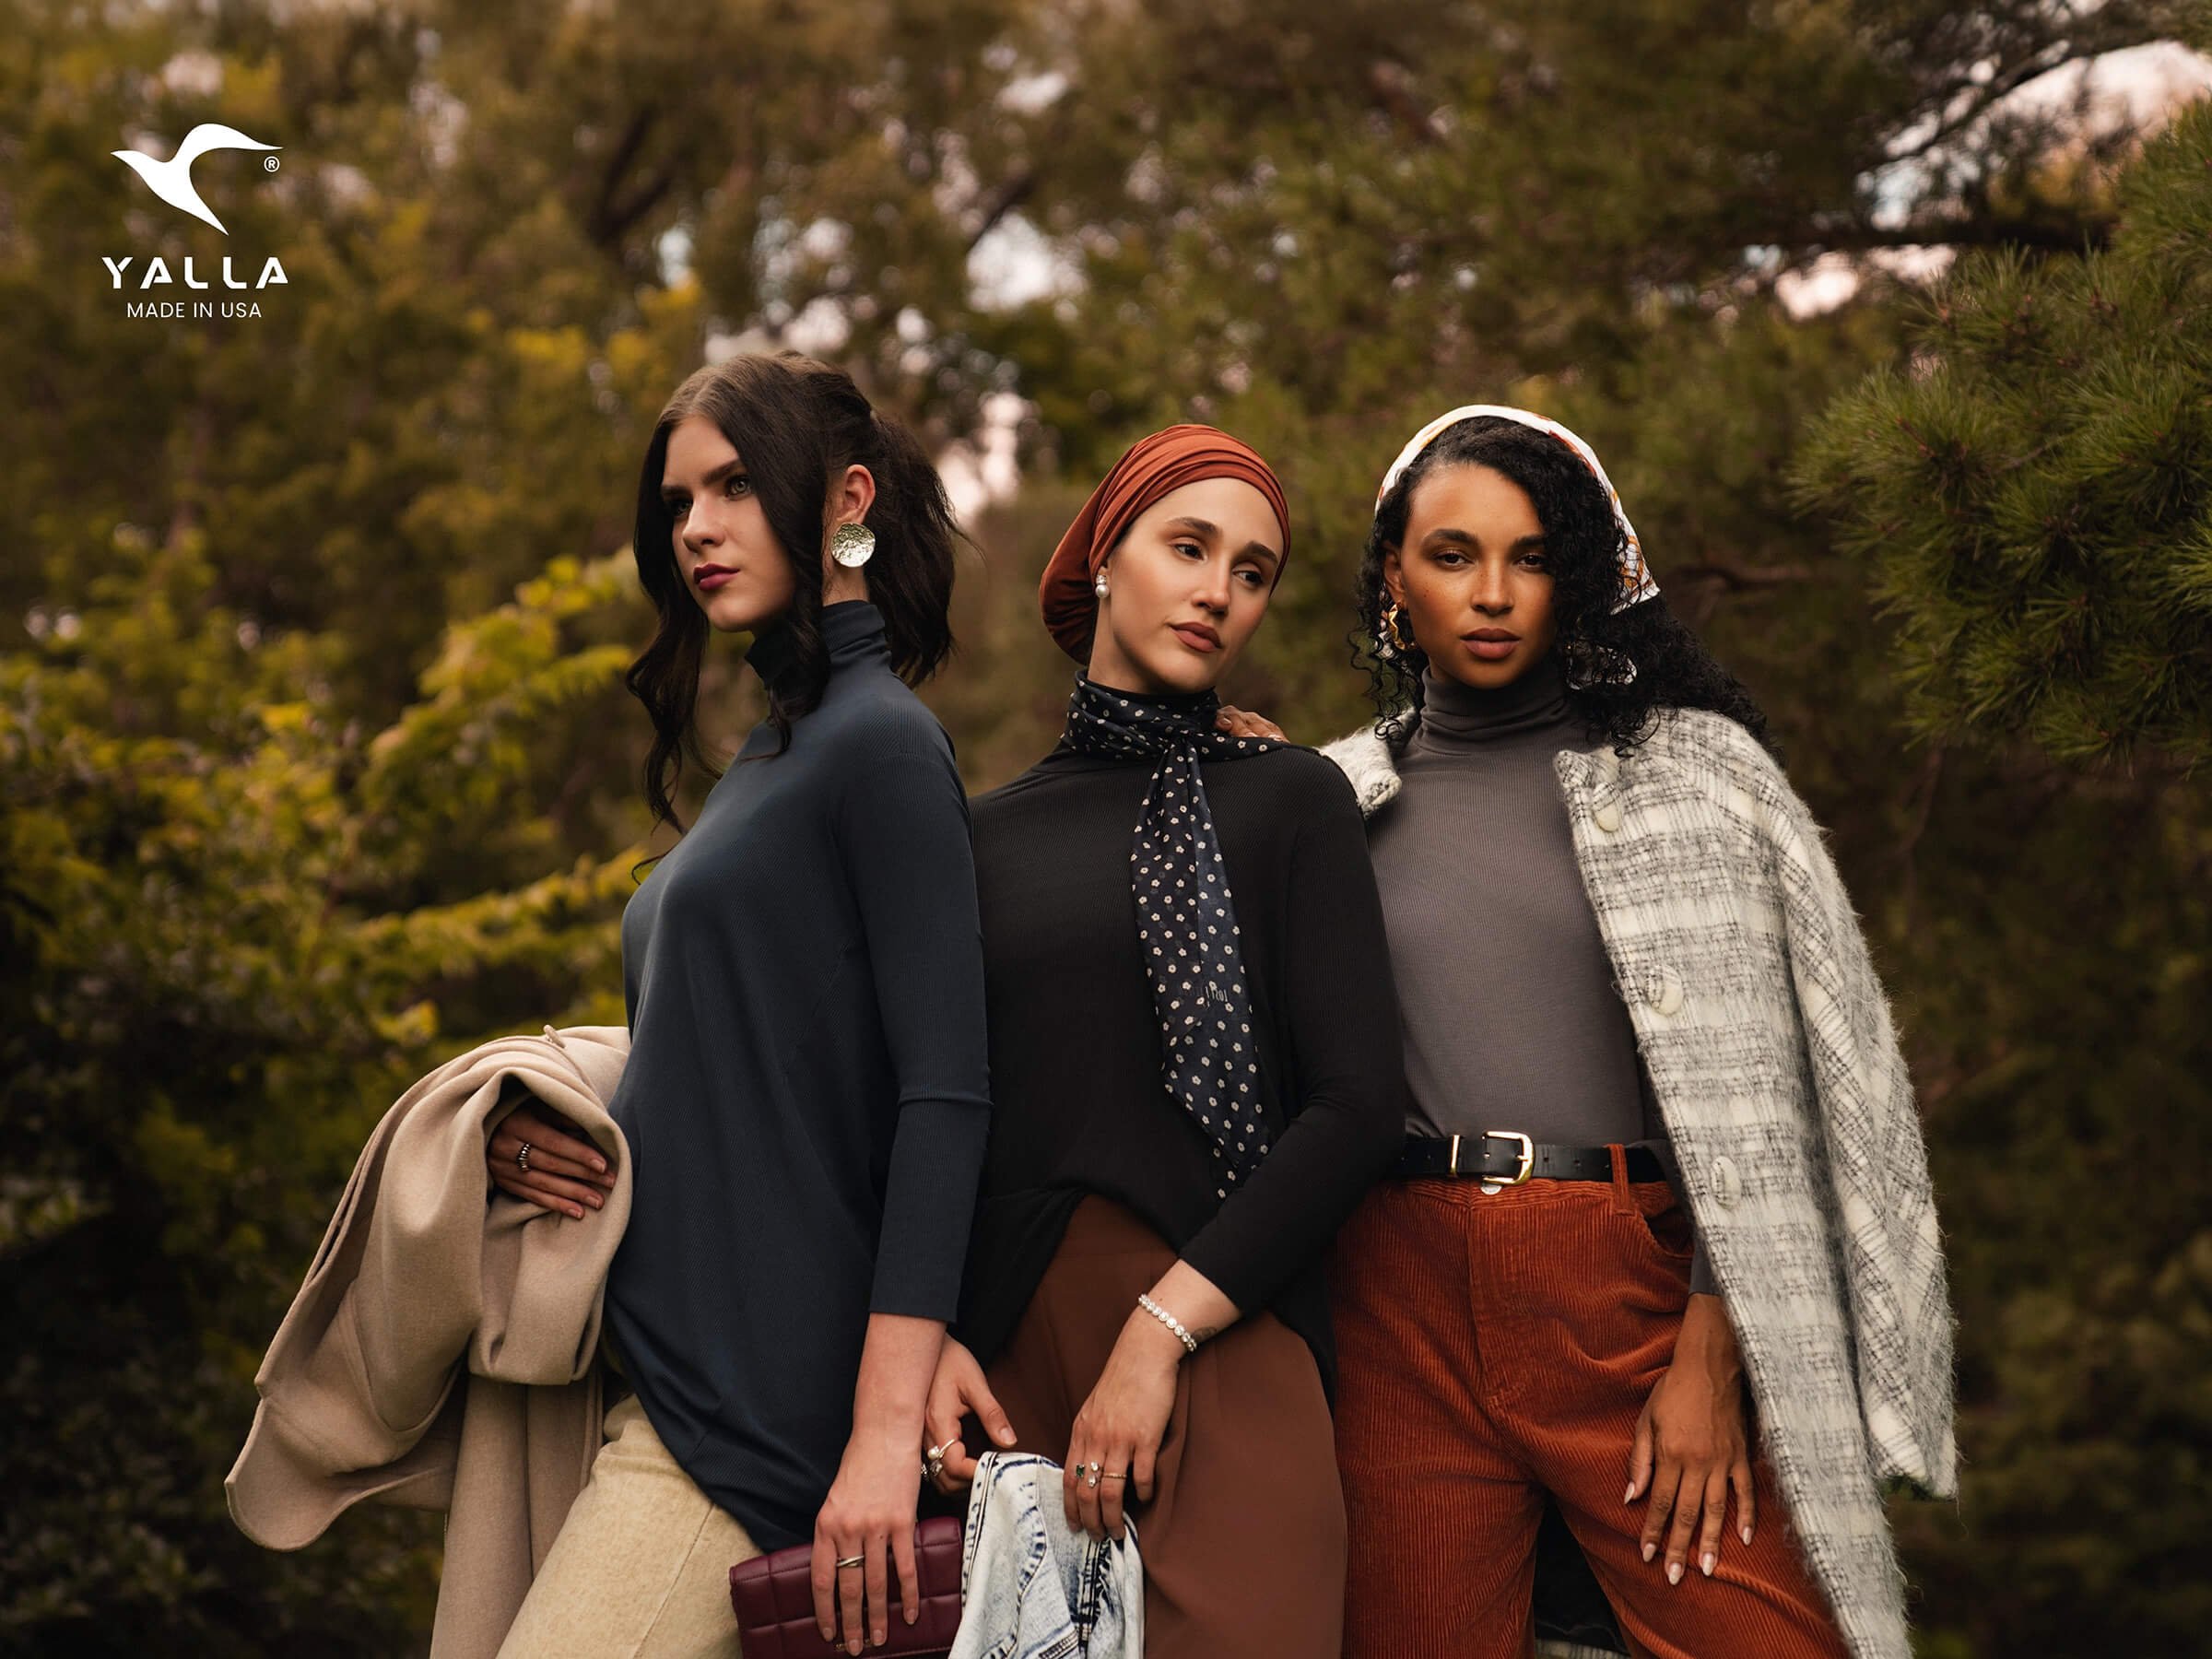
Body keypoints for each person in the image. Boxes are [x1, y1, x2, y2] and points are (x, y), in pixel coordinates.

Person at [1243, 406, 1956, 1659]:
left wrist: (1709, 1354)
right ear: (1396, 580)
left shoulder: (1694, 779)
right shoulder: (1327, 796)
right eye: (1453, 555)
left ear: (1581, 577)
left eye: (1532, 558)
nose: (1493, 594)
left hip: (1623, 1294)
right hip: (1394, 1301)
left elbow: (1779, 1088)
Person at [489, 351, 993, 1658]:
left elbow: (944, 1096)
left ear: (846, 501)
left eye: (733, 487)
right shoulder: (773, 753)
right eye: (677, 504)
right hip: (665, 1386)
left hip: (751, 1433)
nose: (697, 529)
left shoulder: (882, 742)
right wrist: (539, 1122)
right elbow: (741, 1060)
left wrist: (880, 1437)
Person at [921, 426, 1406, 1659]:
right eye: (1189, 547)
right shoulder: (980, 841)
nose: (1218, 592)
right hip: (1011, 1376)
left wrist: (1159, 1334)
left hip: (1223, 1338)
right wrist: (929, 1341)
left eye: (1252, 572)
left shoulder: (1289, 799)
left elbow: (1357, 1105)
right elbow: (933, 1120)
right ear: (1102, 558)